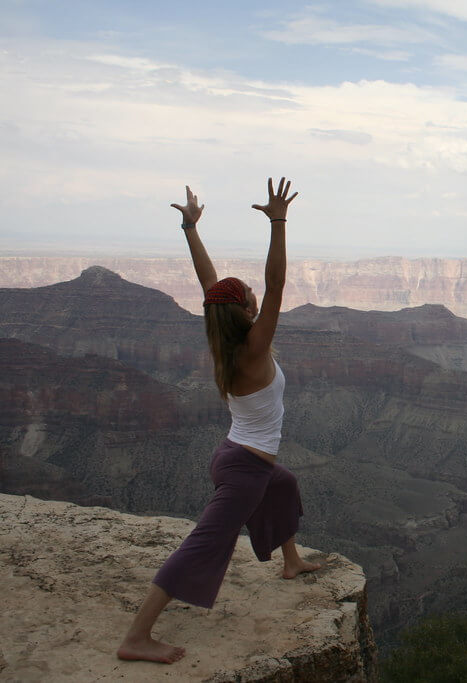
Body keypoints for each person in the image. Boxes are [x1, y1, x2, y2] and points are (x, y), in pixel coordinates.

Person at [117, 178, 320, 664]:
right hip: (242, 469)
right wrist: (278, 222)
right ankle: (137, 636)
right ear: (248, 308)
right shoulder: (253, 346)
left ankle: (291, 562)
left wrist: (190, 229)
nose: (255, 293)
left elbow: (211, 288)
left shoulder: (223, 336)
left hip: (238, 455)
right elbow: (277, 283)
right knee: (204, 545)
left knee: (285, 484)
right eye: (250, 294)